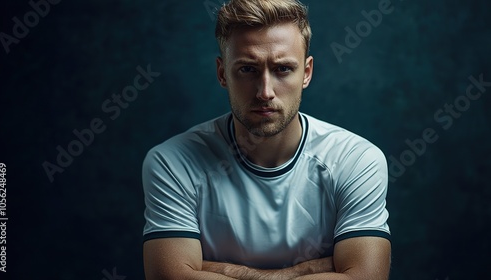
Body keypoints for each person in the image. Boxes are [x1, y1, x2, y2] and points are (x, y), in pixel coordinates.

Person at [142, 0, 391, 279]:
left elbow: (366, 277)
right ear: (223, 73)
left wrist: (209, 269)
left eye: (283, 69)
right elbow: (169, 277)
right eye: (248, 69)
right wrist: (313, 268)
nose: (265, 91)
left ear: (306, 73)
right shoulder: (173, 162)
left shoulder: (356, 160)